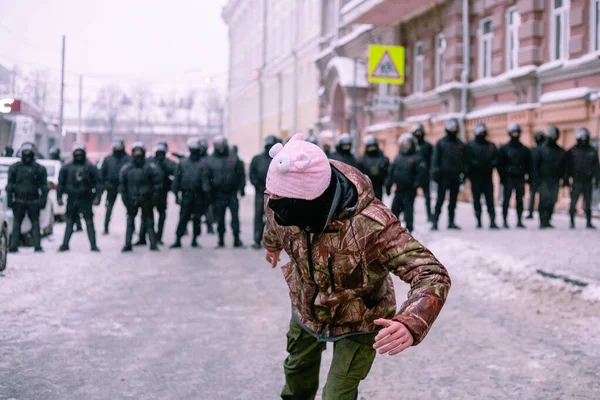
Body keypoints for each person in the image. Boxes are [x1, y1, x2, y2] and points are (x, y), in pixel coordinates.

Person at [262, 133, 451, 399]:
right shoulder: (279, 197)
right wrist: (271, 244)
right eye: (275, 204)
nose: (279, 213)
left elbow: (432, 273)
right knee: (296, 379)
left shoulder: (373, 223)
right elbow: (274, 223)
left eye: (288, 209)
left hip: (359, 315)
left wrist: (411, 321)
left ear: (315, 201)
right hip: (306, 306)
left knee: (337, 396)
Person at [57, 143, 102, 252]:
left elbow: (98, 183)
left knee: (89, 223)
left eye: (80, 153)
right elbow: (61, 184)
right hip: (72, 199)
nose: (78, 155)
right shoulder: (67, 168)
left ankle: (93, 245)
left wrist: (97, 197)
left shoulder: (90, 167)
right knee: (69, 223)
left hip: (85, 198)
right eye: (76, 153)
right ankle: (65, 244)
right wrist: (59, 197)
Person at [204, 136, 246, 248]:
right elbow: (206, 176)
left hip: (232, 192)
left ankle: (236, 238)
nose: (221, 149)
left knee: (235, 217)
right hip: (218, 193)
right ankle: (220, 239)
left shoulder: (233, 157)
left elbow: (241, 174)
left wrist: (242, 188)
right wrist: (208, 190)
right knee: (220, 218)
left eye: (223, 147)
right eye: (219, 147)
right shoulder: (211, 159)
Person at [6, 142, 48, 253]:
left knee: (35, 223)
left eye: (29, 153)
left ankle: (37, 245)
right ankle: (13, 246)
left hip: (33, 200)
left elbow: (44, 187)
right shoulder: (15, 167)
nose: (27, 155)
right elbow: (10, 185)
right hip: (19, 200)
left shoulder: (39, 169)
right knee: (17, 224)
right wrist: (10, 199)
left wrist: (43, 201)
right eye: (25, 153)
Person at [119, 142, 162, 252]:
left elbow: (157, 184)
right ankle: (127, 243)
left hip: (147, 199)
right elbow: (122, 186)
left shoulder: (150, 168)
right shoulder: (127, 168)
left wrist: (153, 198)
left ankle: (153, 243)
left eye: (140, 152)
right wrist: (126, 200)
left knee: (149, 222)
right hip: (132, 199)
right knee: (130, 223)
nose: (138, 154)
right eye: (136, 152)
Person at [170, 138, 208, 248]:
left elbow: (205, 180)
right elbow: (177, 179)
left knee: (197, 218)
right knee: (183, 217)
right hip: (187, 194)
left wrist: (207, 194)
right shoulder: (183, 163)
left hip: (199, 194)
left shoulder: (203, 163)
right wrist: (176, 194)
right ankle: (178, 238)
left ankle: (195, 239)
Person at [137, 142, 176, 245]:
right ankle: (144, 237)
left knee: (159, 215)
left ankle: (157, 237)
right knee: (146, 215)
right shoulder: (150, 162)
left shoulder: (167, 163)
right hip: (150, 192)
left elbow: (176, 172)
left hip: (161, 193)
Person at [431, 118, 465, 230]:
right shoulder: (441, 143)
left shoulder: (460, 144)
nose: (453, 129)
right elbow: (435, 159)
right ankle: (435, 221)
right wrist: (435, 173)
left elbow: (463, 160)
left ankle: (451, 222)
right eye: (451, 127)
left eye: (454, 127)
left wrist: (463, 174)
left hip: (455, 176)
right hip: (443, 176)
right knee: (440, 200)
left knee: (453, 201)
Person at [386, 133, 425, 232]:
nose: (405, 147)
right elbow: (391, 172)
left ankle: (409, 229)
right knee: (394, 210)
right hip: (399, 189)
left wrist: (417, 183)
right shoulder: (398, 157)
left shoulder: (417, 157)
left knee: (408, 210)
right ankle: (392, 229)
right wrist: (389, 184)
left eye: (407, 144)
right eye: (403, 144)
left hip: (410, 189)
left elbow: (421, 172)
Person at [465, 123, 499, 229]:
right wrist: (472, 167)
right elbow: (466, 161)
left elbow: (496, 158)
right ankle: (478, 220)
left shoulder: (491, 145)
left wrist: (491, 164)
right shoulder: (470, 146)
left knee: (490, 200)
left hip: (487, 177)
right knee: (476, 200)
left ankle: (492, 220)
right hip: (475, 177)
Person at [533, 126, 567, 229]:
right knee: (544, 200)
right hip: (543, 179)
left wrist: (564, 178)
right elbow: (535, 165)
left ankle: (548, 220)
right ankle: (542, 221)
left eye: (555, 134)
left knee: (553, 200)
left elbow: (564, 166)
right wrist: (536, 178)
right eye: (552, 134)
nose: (553, 136)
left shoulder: (560, 151)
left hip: (555, 179)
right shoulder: (541, 149)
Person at [498, 123, 531, 229]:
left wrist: (528, 176)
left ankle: (519, 221)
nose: (515, 134)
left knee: (520, 200)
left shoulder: (524, 149)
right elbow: (500, 164)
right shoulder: (504, 148)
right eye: (513, 132)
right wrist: (502, 177)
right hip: (508, 178)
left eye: (516, 132)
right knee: (506, 200)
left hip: (520, 178)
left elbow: (528, 164)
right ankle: (504, 220)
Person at [566, 127, 599, 229]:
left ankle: (588, 222)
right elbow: (568, 166)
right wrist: (566, 179)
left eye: (585, 136)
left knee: (588, 203)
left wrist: (597, 179)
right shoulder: (572, 150)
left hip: (588, 181)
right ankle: (571, 222)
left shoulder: (592, 151)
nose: (584, 138)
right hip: (576, 181)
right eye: (582, 136)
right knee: (573, 202)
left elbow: (596, 166)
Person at [249, 135, 278, 249]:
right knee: (258, 216)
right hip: (260, 191)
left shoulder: (279, 158)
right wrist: (259, 185)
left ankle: (274, 241)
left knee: (274, 217)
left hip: (275, 192)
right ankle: (257, 239)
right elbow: (252, 174)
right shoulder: (257, 159)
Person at [101, 139, 132, 235]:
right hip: (111, 186)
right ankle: (105, 227)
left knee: (130, 208)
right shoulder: (108, 159)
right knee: (109, 207)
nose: (117, 148)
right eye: (115, 146)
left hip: (125, 186)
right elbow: (102, 173)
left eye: (119, 146)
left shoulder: (129, 159)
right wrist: (105, 184)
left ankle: (131, 228)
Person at [412, 123, 434, 221]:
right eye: (416, 132)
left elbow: (432, 160)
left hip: (425, 175)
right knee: (411, 197)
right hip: (414, 175)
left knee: (427, 197)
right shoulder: (411, 146)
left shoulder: (428, 146)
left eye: (419, 132)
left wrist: (430, 171)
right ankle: (409, 214)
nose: (418, 134)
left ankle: (429, 215)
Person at [358, 135, 390, 200]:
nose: (372, 148)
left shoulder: (383, 159)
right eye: (370, 147)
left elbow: (387, 172)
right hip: (367, 186)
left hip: (378, 185)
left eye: (373, 146)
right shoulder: (362, 160)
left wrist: (387, 184)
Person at [526, 131, 546, 219]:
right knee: (533, 195)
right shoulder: (533, 150)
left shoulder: (543, 150)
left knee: (541, 196)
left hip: (541, 176)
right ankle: (531, 212)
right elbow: (529, 164)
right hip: (534, 176)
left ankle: (540, 213)